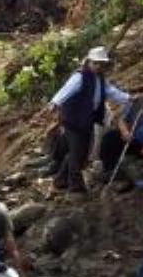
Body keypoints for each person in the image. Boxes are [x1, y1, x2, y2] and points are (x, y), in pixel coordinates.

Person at [42, 46, 129, 198]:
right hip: (73, 121)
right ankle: (75, 188)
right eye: (95, 63)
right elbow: (66, 90)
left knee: (79, 154)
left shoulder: (101, 80)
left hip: (86, 122)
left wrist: (128, 98)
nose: (98, 66)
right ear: (89, 62)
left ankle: (59, 183)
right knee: (77, 154)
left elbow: (112, 92)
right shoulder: (80, 76)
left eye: (101, 64)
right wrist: (54, 103)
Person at [98, 87, 143, 181]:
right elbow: (122, 119)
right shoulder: (139, 102)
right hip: (133, 139)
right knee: (110, 137)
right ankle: (110, 171)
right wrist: (125, 132)